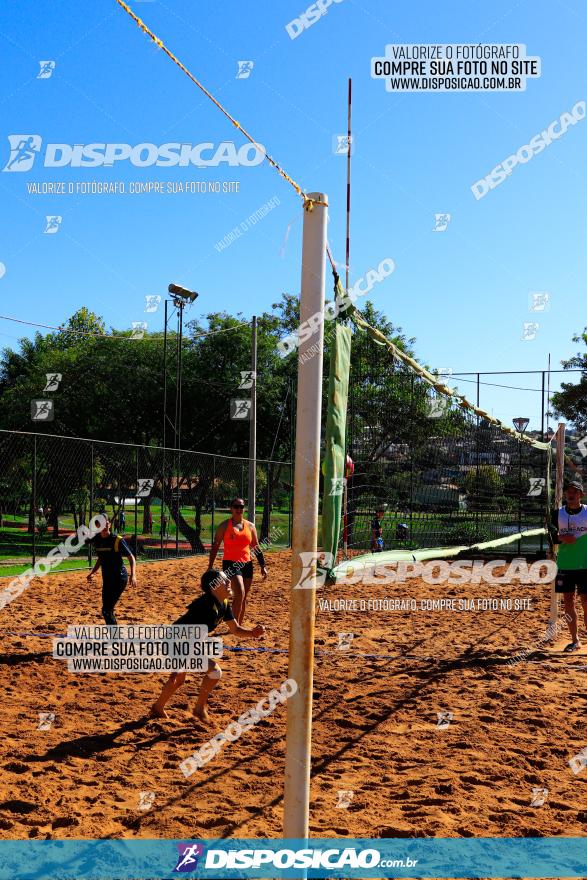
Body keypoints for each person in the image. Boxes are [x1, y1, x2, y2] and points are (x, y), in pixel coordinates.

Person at [149, 569, 265, 721]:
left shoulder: (223, 603)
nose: (229, 582)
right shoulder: (204, 606)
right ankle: (198, 708)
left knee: (180, 679)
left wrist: (252, 633)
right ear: (213, 587)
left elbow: (235, 629)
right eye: (224, 580)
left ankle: (158, 707)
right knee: (214, 672)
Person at [208, 497, 267, 623]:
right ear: (231, 509)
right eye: (236, 506)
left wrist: (262, 565)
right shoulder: (224, 526)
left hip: (247, 563)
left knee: (243, 596)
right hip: (230, 564)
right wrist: (210, 566)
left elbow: (256, 547)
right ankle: (233, 625)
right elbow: (215, 546)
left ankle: (238, 626)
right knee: (239, 593)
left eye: (241, 507)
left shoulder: (250, 526)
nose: (239, 509)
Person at [550, 480, 587, 652]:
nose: (571, 494)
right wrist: (564, 538)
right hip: (565, 564)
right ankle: (575, 640)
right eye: (568, 491)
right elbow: (551, 537)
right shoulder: (557, 513)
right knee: (568, 602)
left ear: (581, 494)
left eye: (575, 491)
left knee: (586, 602)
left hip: (585, 565)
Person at [87, 515, 137, 625]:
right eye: (100, 523)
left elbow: (131, 557)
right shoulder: (97, 540)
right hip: (107, 579)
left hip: (119, 578)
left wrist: (133, 575)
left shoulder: (117, 540)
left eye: (106, 522)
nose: (104, 525)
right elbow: (101, 558)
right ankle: (114, 635)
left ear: (109, 524)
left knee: (106, 610)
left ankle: (114, 637)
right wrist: (93, 572)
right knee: (107, 610)